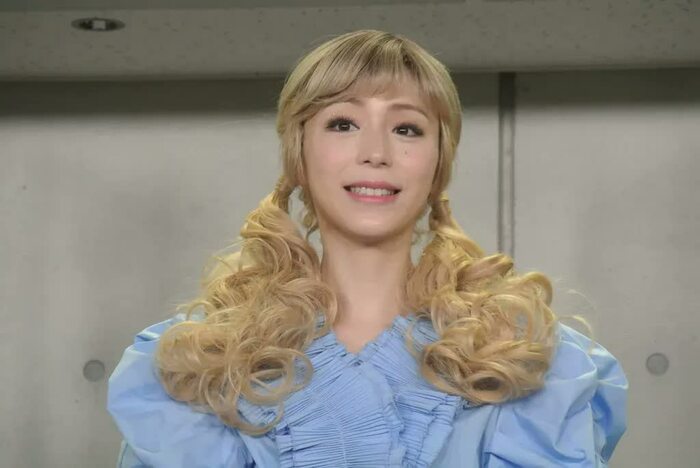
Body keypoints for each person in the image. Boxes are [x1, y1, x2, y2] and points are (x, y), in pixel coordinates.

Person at [107, 29, 628, 467]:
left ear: (438, 163)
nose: (376, 152)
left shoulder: (528, 360)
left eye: (407, 128)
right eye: (343, 123)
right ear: (298, 153)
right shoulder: (199, 363)